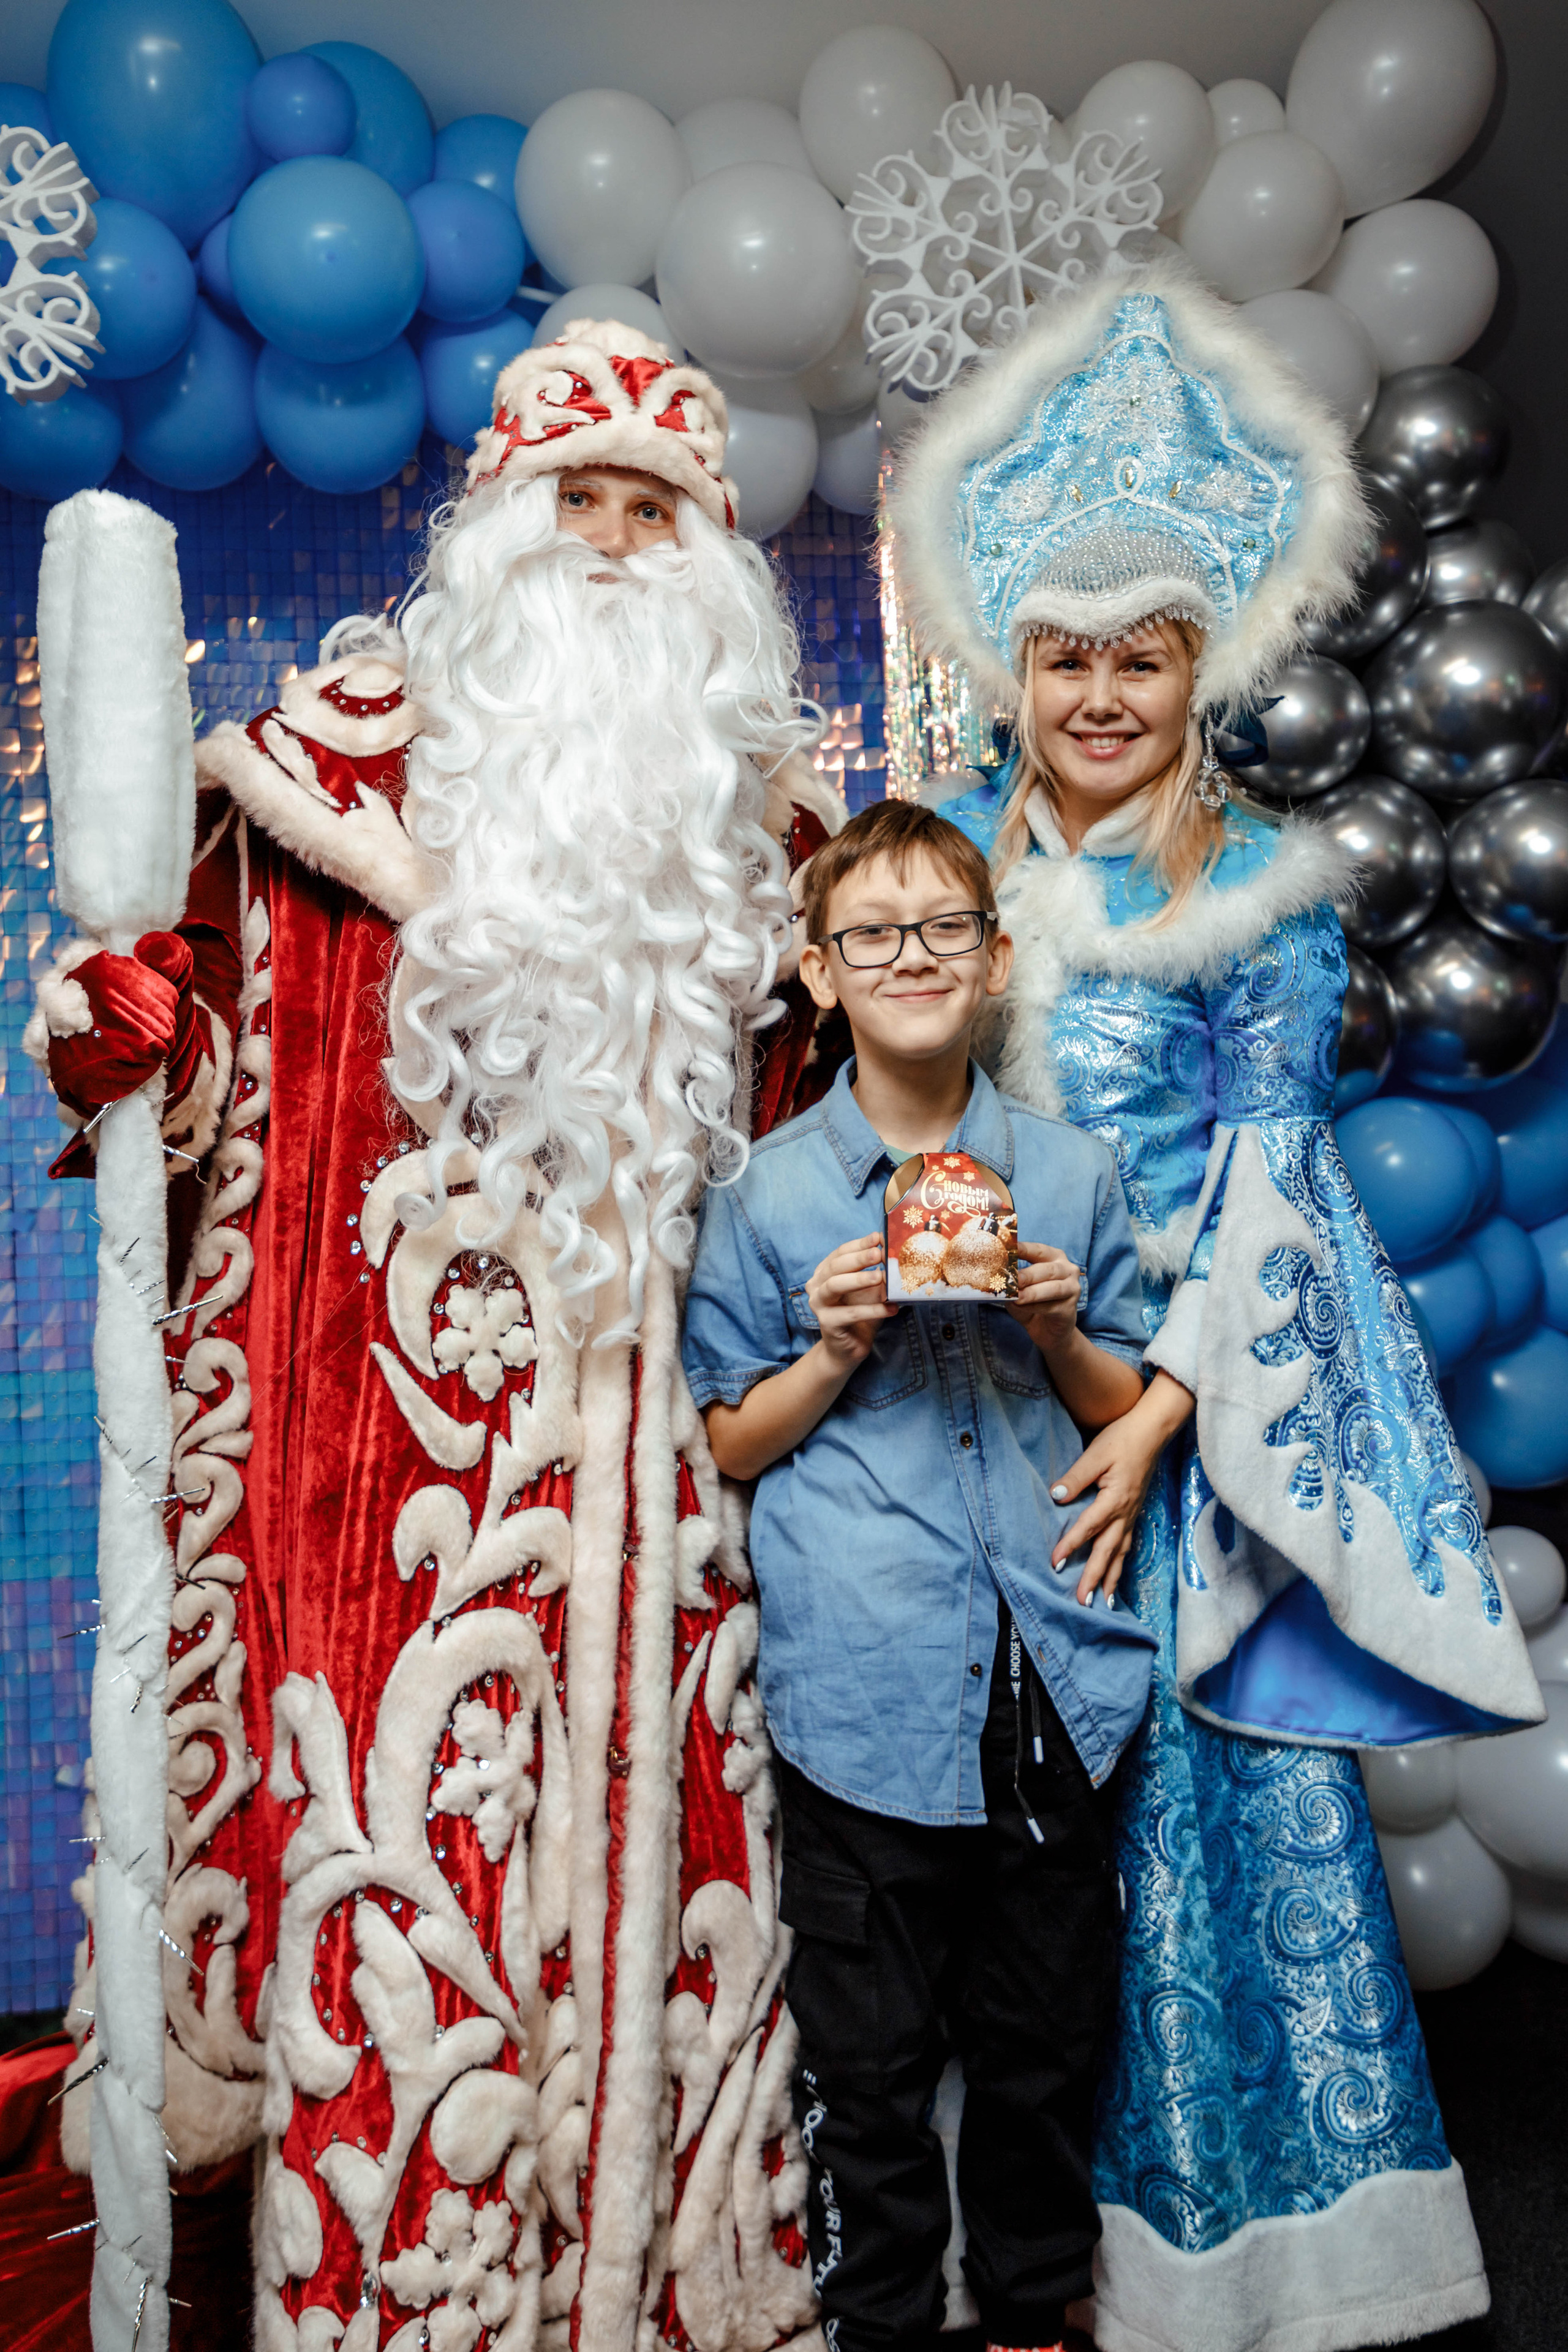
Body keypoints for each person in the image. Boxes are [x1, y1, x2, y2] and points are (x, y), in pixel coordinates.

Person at [28, 321, 846, 2349]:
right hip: (402, 1503)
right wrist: (126, 1042)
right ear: (491, 528)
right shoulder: (325, 788)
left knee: (691, 1910)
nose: (608, 545)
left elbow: (833, 1148)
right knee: (416, 1930)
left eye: (652, 511)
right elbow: (199, 1057)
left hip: (692, 1508)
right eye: (575, 500)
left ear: (714, 560)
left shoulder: (771, 853)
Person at [888, 258, 1544, 2352]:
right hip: (968, 1402)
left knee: (1186, 1836)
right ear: (1017, 663)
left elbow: (1279, 1186)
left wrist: (1157, 1421)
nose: (1096, 697)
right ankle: (1003, 2263)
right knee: (964, 1841)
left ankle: (1231, 2266)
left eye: (1139, 662)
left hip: (1173, 1430)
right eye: (1063, 656)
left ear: (1199, 670)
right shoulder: (951, 866)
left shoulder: (1253, 889)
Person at [682, 797, 1159, 2352]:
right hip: (863, 1689)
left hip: (1047, 1682)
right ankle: (880, 2323)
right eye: (870, 934)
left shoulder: (1072, 1176)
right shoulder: (764, 1198)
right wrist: (829, 1346)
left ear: (992, 958)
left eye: (941, 929)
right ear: (819, 973)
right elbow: (733, 1443)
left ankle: (1032, 2316)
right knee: (870, 2067)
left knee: (1041, 2043)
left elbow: (1120, 1408)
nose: (909, 957)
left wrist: (1055, 1331)